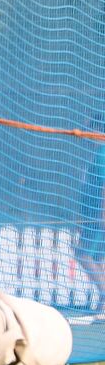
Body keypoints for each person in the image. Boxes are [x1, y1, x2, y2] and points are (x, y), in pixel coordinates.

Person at [78, 113, 105, 311]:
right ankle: (103, 302)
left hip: (98, 215)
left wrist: (102, 214)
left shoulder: (102, 153)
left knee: (83, 254)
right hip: (92, 214)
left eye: (89, 129)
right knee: (97, 259)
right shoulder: (98, 153)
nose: (85, 135)